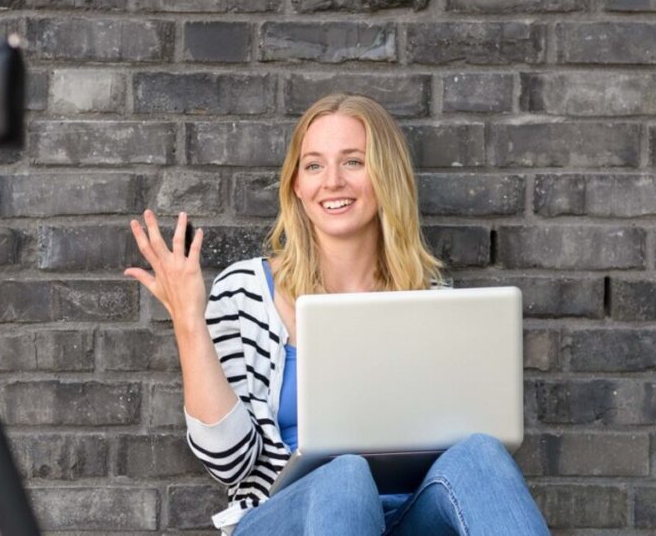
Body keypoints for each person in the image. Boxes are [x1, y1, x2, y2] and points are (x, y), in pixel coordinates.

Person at [124, 94, 549, 535]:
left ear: (386, 176)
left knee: (480, 455)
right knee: (345, 474)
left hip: (405, 515)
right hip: (283, 516)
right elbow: (229, 464)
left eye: (353, 162)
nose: (332, 182)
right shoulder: (245, 291)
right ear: (296, 186)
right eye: (313, 165)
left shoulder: (434, 304)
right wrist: (189, 321)